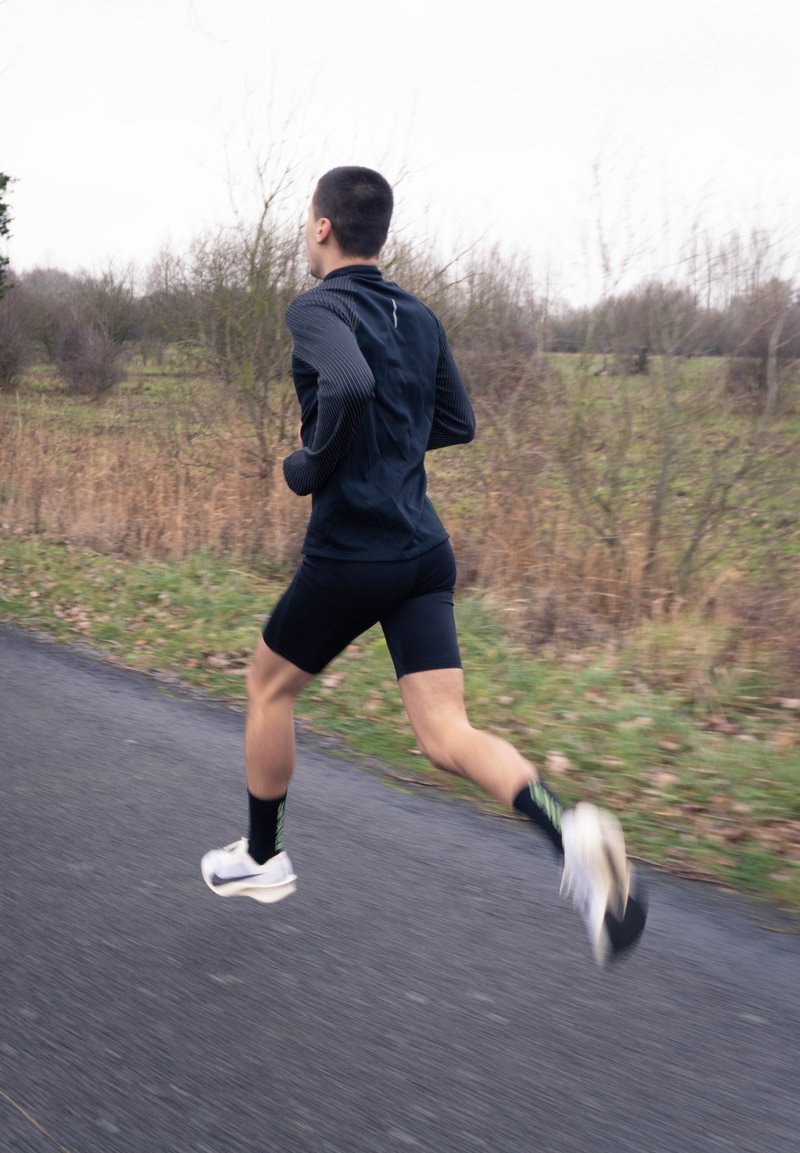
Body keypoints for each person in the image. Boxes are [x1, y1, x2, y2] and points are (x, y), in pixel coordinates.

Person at [201, 166, 647, 966]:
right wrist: (390, 447)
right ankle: (570, 832)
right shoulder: (419, 314)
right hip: (423, 554)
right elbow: (458, 422)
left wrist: (312, 464)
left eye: (309, 220)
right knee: (447, 732)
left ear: (323, 227)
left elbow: (346, 381)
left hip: (351, 554)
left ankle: (263, 858)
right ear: (384, 234)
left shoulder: (316, 307)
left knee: (268, 685)